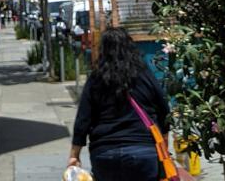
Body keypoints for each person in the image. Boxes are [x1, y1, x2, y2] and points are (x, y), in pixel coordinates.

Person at [68, 26, 170, 181]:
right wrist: (164, 143)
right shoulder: (144, 74)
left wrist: (74, 155)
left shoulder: (96, 79)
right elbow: (163, 109)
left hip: (105, 153)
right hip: (143, 150)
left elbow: (83, 119)